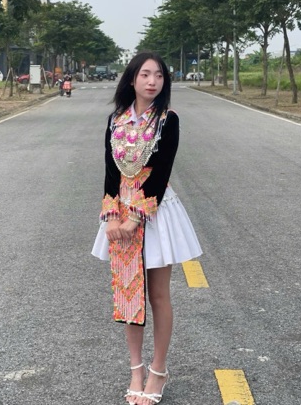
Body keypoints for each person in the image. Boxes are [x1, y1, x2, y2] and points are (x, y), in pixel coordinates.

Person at [91, 52, 202, 405]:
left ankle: (158, 370)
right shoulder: (116, 120)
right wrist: (111, 216)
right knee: (129, 293)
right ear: (132, 79)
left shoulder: (168, 120)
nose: (152, 81)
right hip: (120, 212)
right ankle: (135, 370)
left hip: (154, 213)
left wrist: (135, 218)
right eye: (145, 74)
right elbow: (110, 171)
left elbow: (161, 171)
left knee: (157, 295)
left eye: (159, 75)